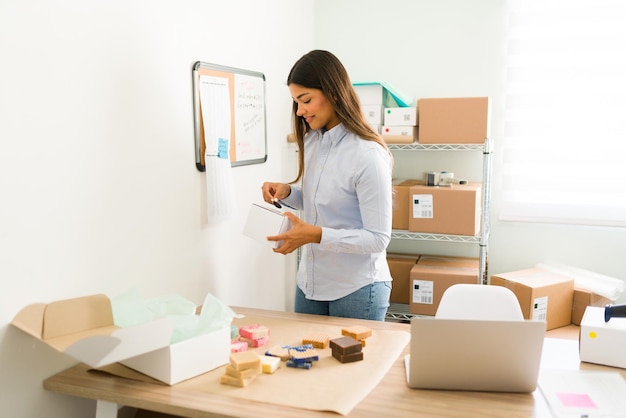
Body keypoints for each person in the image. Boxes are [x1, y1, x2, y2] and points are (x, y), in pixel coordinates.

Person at [261, 50, 394, 321]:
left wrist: (316, 235)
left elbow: (378, 238)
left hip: (357, 289)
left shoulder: (367, 155)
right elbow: (321, 200)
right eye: (296, 102)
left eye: (305, 100)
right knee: (303, 360)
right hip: (310, 284)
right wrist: (288, 193)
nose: (299, 111)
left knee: (353, 365)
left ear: (333, 92)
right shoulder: (313, 142)